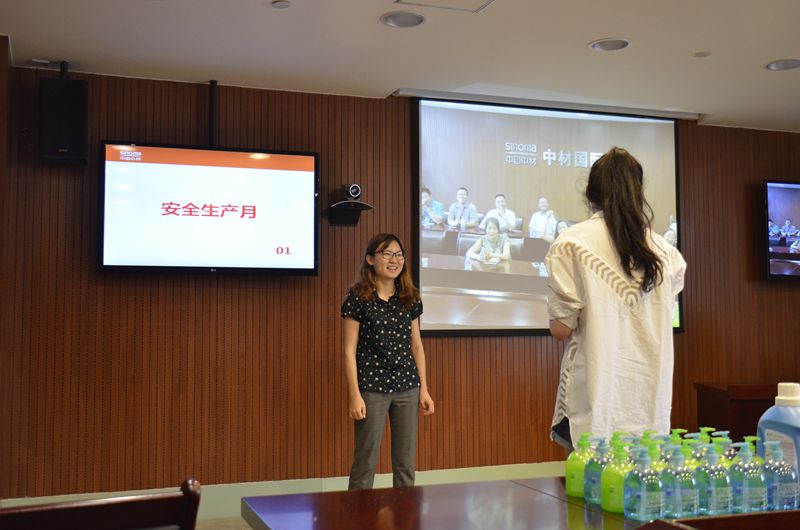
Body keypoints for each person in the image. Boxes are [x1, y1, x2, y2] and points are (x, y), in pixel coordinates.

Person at [544, 147, 686, 451]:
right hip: (648, 401)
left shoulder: (571, 244)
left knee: (591, 479)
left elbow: (561, 329)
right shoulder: (667, 253)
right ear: (638, 192)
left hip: (595, 398)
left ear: (590, 192)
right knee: (644, 478)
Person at [341, 233, 435, 489]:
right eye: (387, 254)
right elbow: (349, 350)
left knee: (405, 463)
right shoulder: (358, 298)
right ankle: (358, 512)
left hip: (407, 387)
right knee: (365, 462)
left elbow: (417, 345)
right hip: (372, 389)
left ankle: (406, 511)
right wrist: (355, 395)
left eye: (399, 254)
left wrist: (424, 389)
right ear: (370, 259)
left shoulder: (409, 296)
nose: (394, 260)